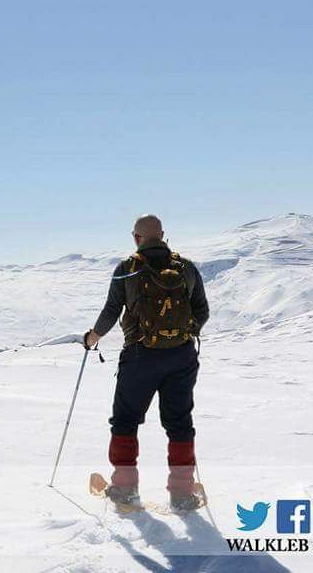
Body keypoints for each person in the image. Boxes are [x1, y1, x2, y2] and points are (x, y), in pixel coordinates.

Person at [84, 214, 210, 511]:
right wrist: (184, 336)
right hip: (181, 356)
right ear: (163, 235)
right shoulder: (186, 268)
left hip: (140, 357)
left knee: (126, 421)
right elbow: (202, 311)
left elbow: (111, 312)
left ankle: (125, 491)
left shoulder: (127, 269)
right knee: (179, 424)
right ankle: (182, 494)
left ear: (136, 237)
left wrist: (92, 337)